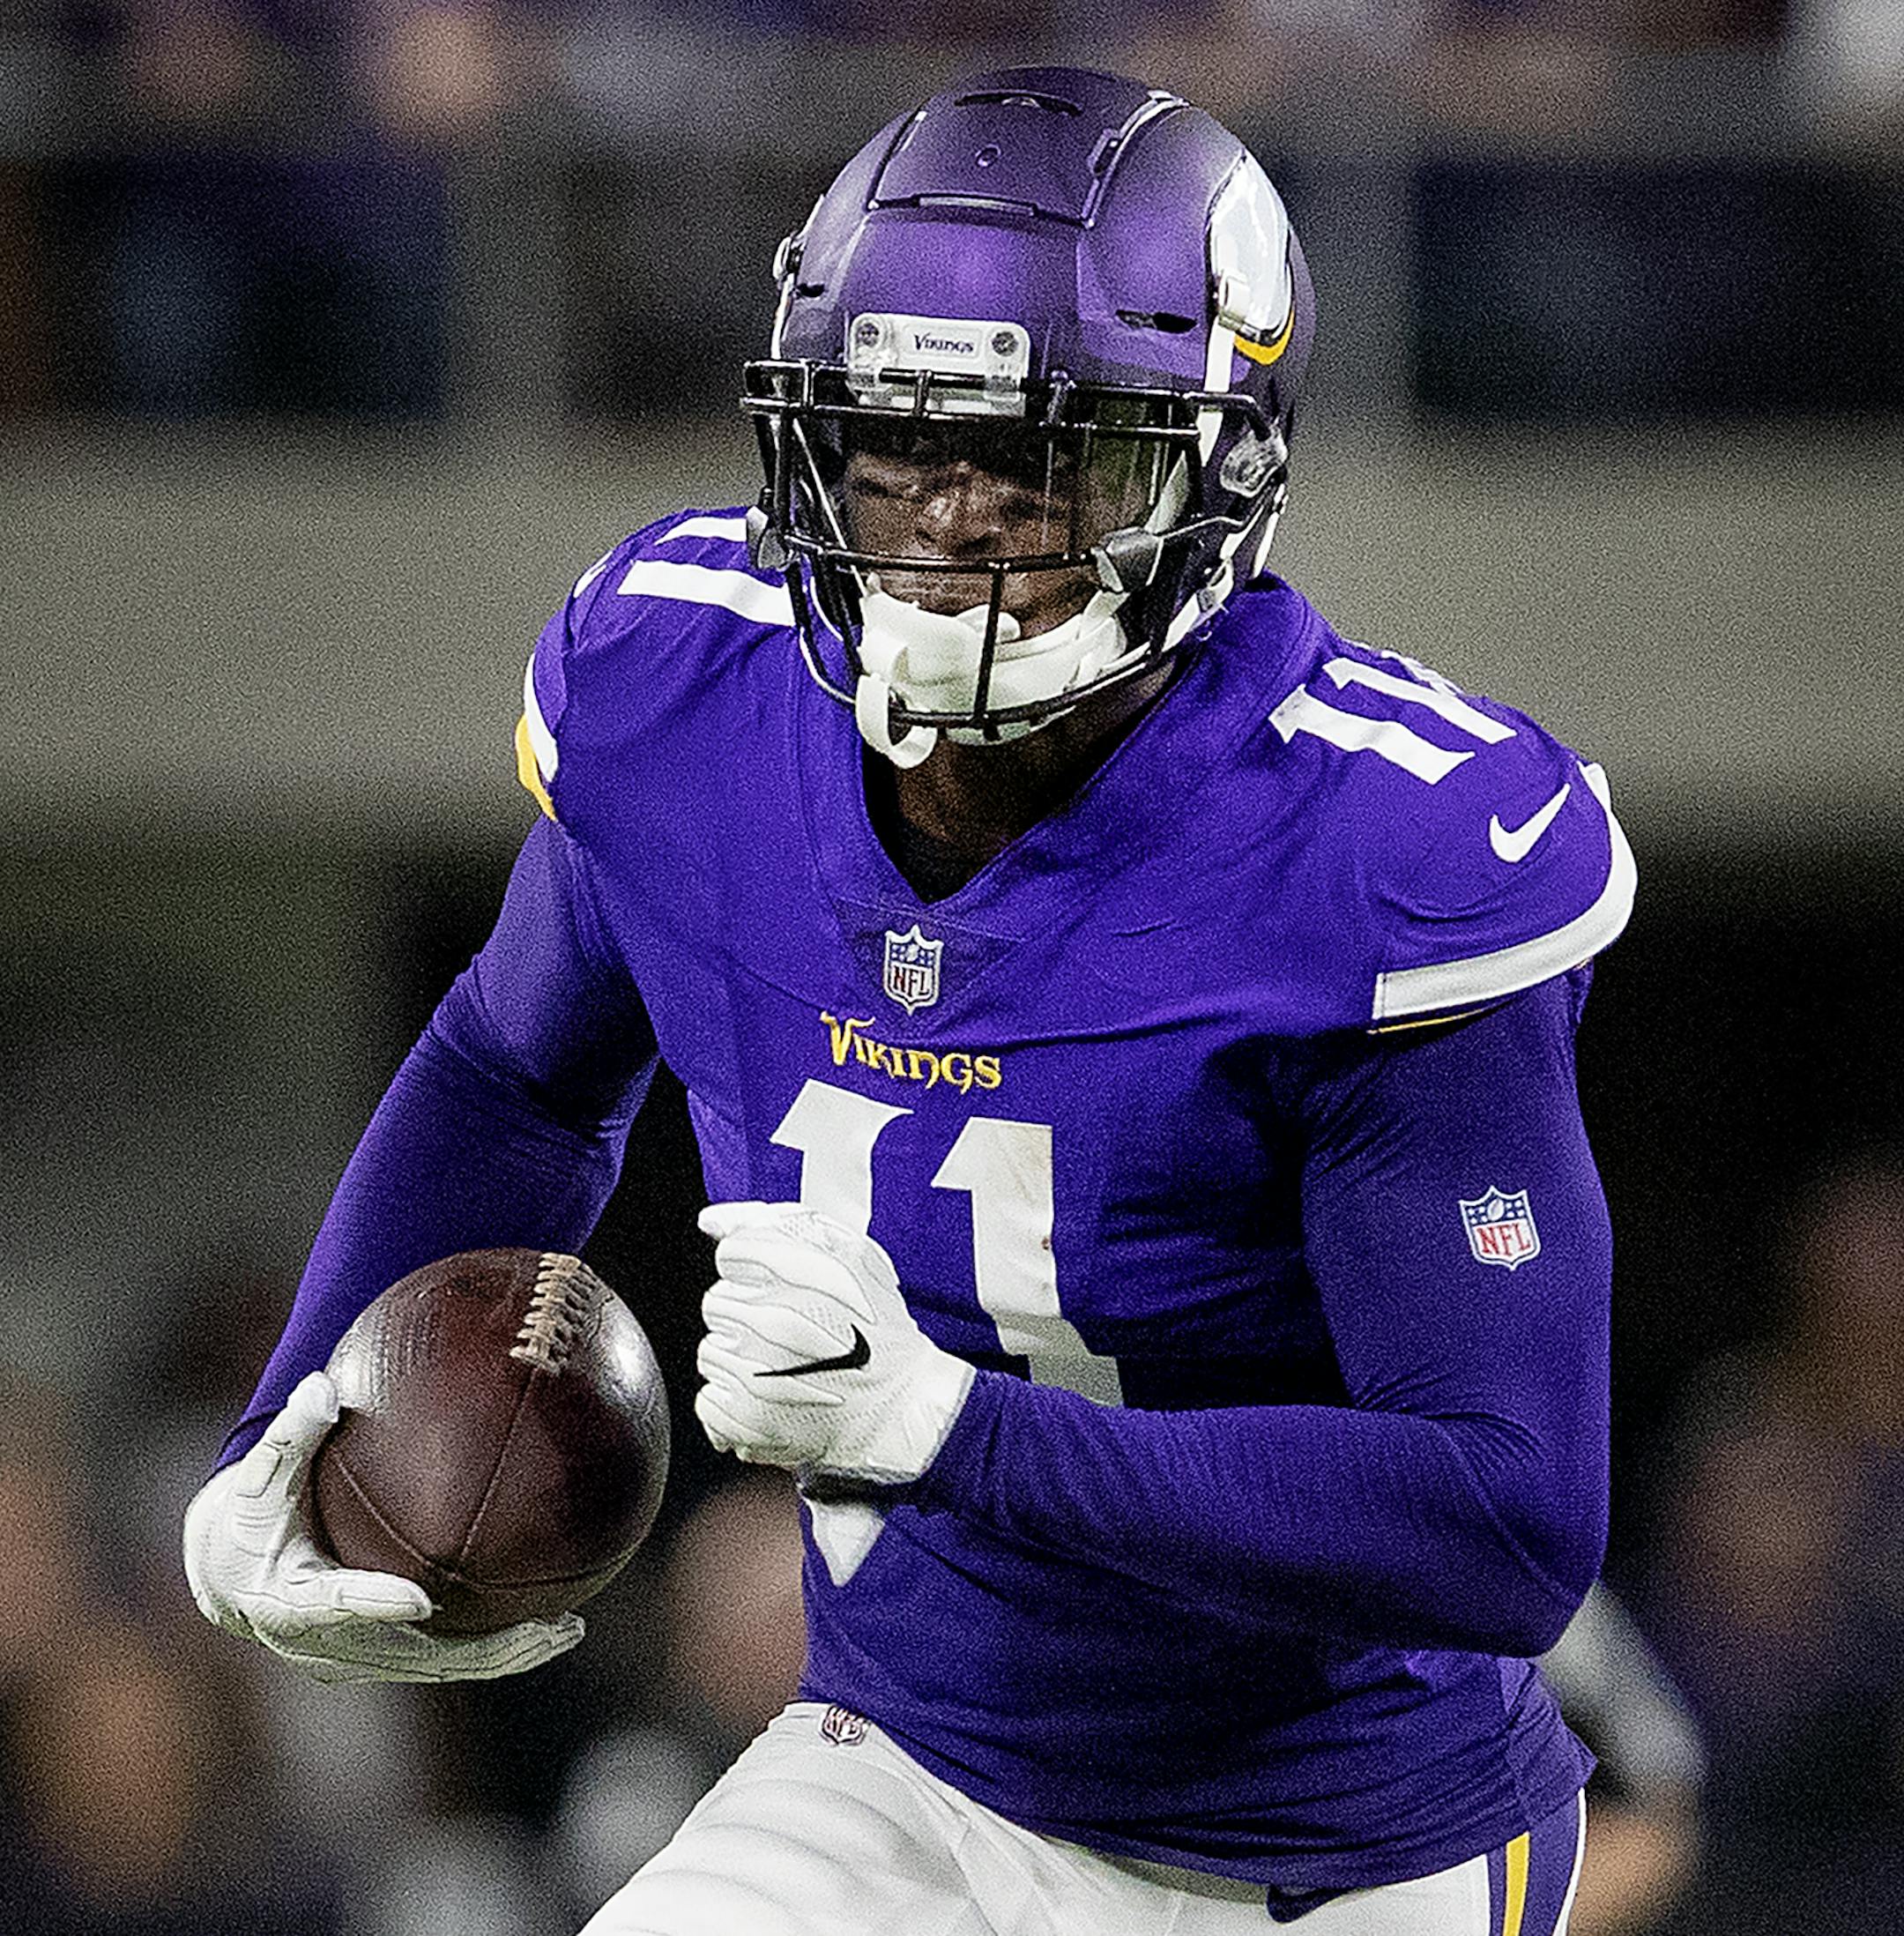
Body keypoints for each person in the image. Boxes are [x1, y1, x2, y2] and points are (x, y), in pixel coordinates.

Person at [183, 64, 1637, 1935]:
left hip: (1335, 1849)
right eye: (899, 445)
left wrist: (957, 1438)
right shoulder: (681, 695)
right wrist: (288, 1426)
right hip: (911, 1764)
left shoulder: (1379, 857)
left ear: (1218, 466)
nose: (957, 520)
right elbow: (516, 1074)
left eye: (1047, 462)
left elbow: (1504, 1521)